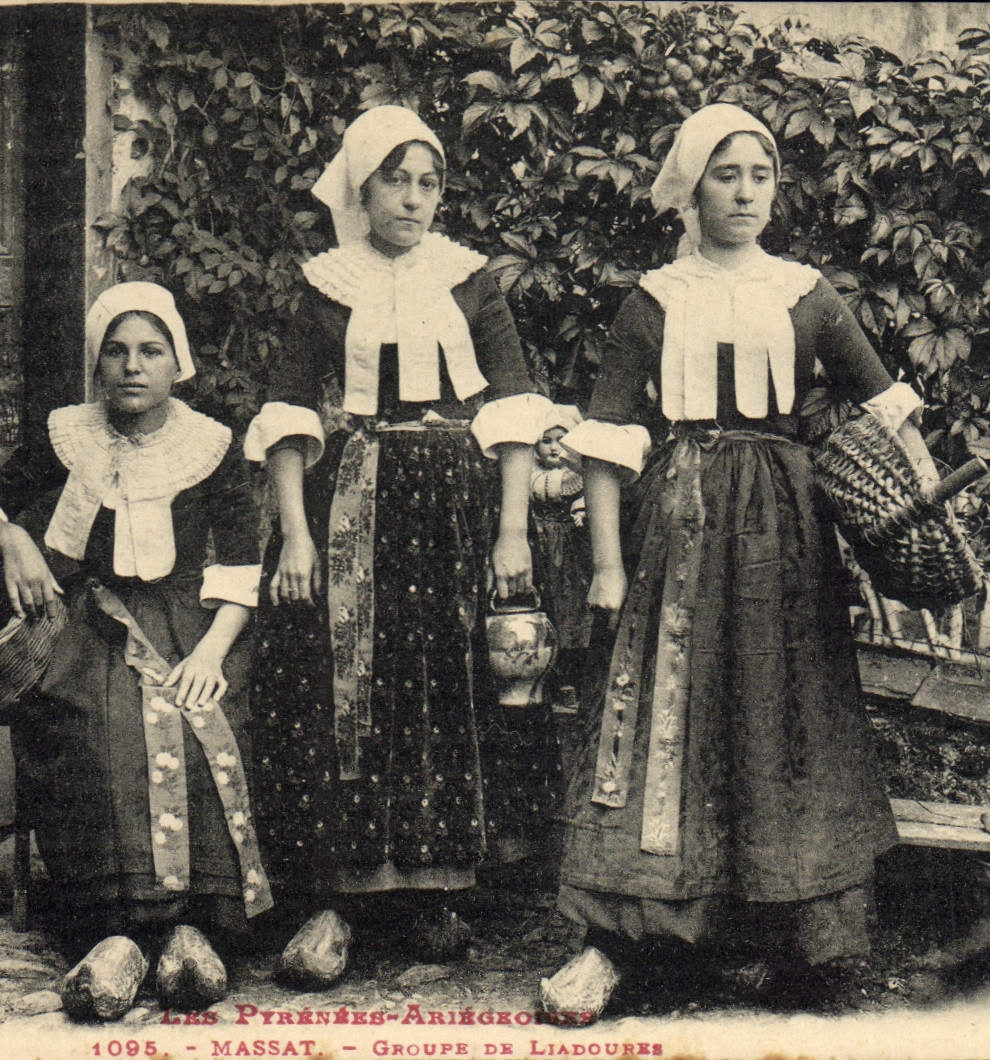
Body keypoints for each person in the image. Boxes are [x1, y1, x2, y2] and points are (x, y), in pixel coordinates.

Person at [540, 104, 938, 1022]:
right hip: (674, 530)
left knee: (784, 710)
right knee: (661, 713)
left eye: (761, 175)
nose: (746, 193)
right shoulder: (652, 299)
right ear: (691, 187)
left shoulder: (806, 294)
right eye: (726, 175)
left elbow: (885, 405)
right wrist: (606, 566)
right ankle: (623, 941)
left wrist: (920, 507)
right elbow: (606, 441)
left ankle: (801, 946)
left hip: (785, 536)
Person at [244, 105, 555, 982]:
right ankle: (337, 897)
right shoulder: (327, 284)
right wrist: (295, 535)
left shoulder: (469, 281)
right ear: (361, 188)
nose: (413, 199)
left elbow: (512, 409)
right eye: (395, 181)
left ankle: (433, 890)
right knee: (341, 681)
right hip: (349, 502)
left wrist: (510, 531)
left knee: (442, 680)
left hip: (452, 504)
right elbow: (287, 414)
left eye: (428, 183)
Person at [0, 282, 269, 1015]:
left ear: (177, 362)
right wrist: (12, 537)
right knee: (97, 726)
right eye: (116, 352)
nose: (133, 366)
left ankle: (195, 928)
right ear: (98, 363)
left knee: (200, 719)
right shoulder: (68, 437)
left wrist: (211, 654)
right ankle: (116, 931)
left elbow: (241, 566)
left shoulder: (210, 445)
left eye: (150, 351)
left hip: (192, 624)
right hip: (86, 623)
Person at [530, 404, 591, 714]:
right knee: (543, 605)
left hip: (568, 547)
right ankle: (541, 676)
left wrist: (581, 512)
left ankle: (569, 678)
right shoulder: (530, 475)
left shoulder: (575, 475)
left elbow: (585, 497)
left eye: (560, 440)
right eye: (546, 441)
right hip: (538, 544)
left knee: (570, 608)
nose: (554, 447)